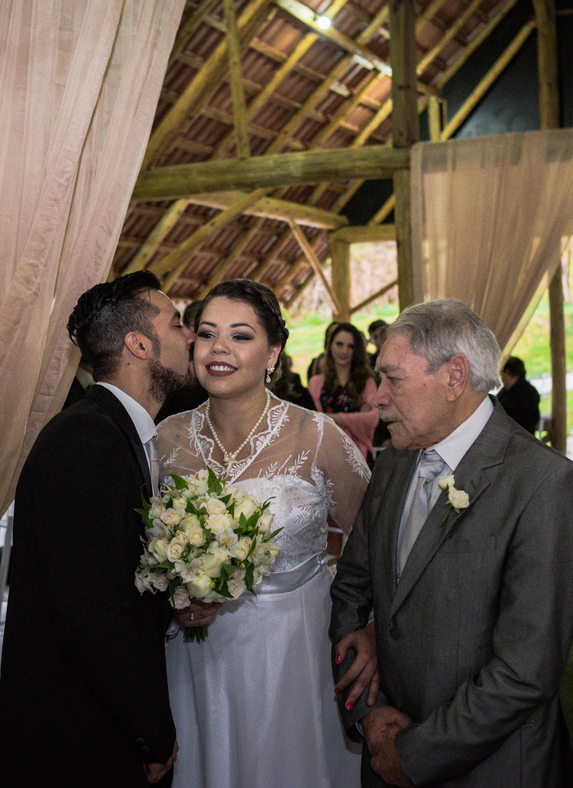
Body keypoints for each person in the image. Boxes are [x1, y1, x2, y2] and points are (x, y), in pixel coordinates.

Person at [330, 299, 573, 788]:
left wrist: (414, 754)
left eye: (394, 379)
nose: (377, 398)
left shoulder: (543, 482)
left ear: (454, 377)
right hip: (384, 746)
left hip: (492, 767)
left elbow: (526, 670)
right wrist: (370, 713)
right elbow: (350, 590)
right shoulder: (392, 462)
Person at [156, 278, 374, 788]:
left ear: (273, 352)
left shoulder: (316, 435)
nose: (219, 349)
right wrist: (173, 596)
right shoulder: (166, 439)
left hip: (294, 655)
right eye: (207, 334)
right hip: (195, 655)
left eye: (241, 336)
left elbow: (374, 544)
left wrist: (369, 630)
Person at [0, 270, 195, 788]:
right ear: (139, 344)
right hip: (74, 744)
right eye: (178, 324)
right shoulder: (86, 440)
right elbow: (91, 612)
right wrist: (151, 730)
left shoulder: (117, 433)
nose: (191, 336)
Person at [308, 322, 379, 461]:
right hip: (324, 458)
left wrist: (328, 417)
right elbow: (312, 420)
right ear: (330, 346)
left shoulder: (367, 382)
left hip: (359, 458)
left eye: (350, 346)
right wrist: (355, 418)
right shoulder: (316, 383)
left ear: (357, 350)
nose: (344, 351)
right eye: (339, 344)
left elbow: (372, 419)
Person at [497, 355, 542, 436]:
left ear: (507, 372)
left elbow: (532, 417)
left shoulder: (527, 392)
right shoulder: (504, 392)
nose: (501, 376)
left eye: (502, 372)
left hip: (521, 440)